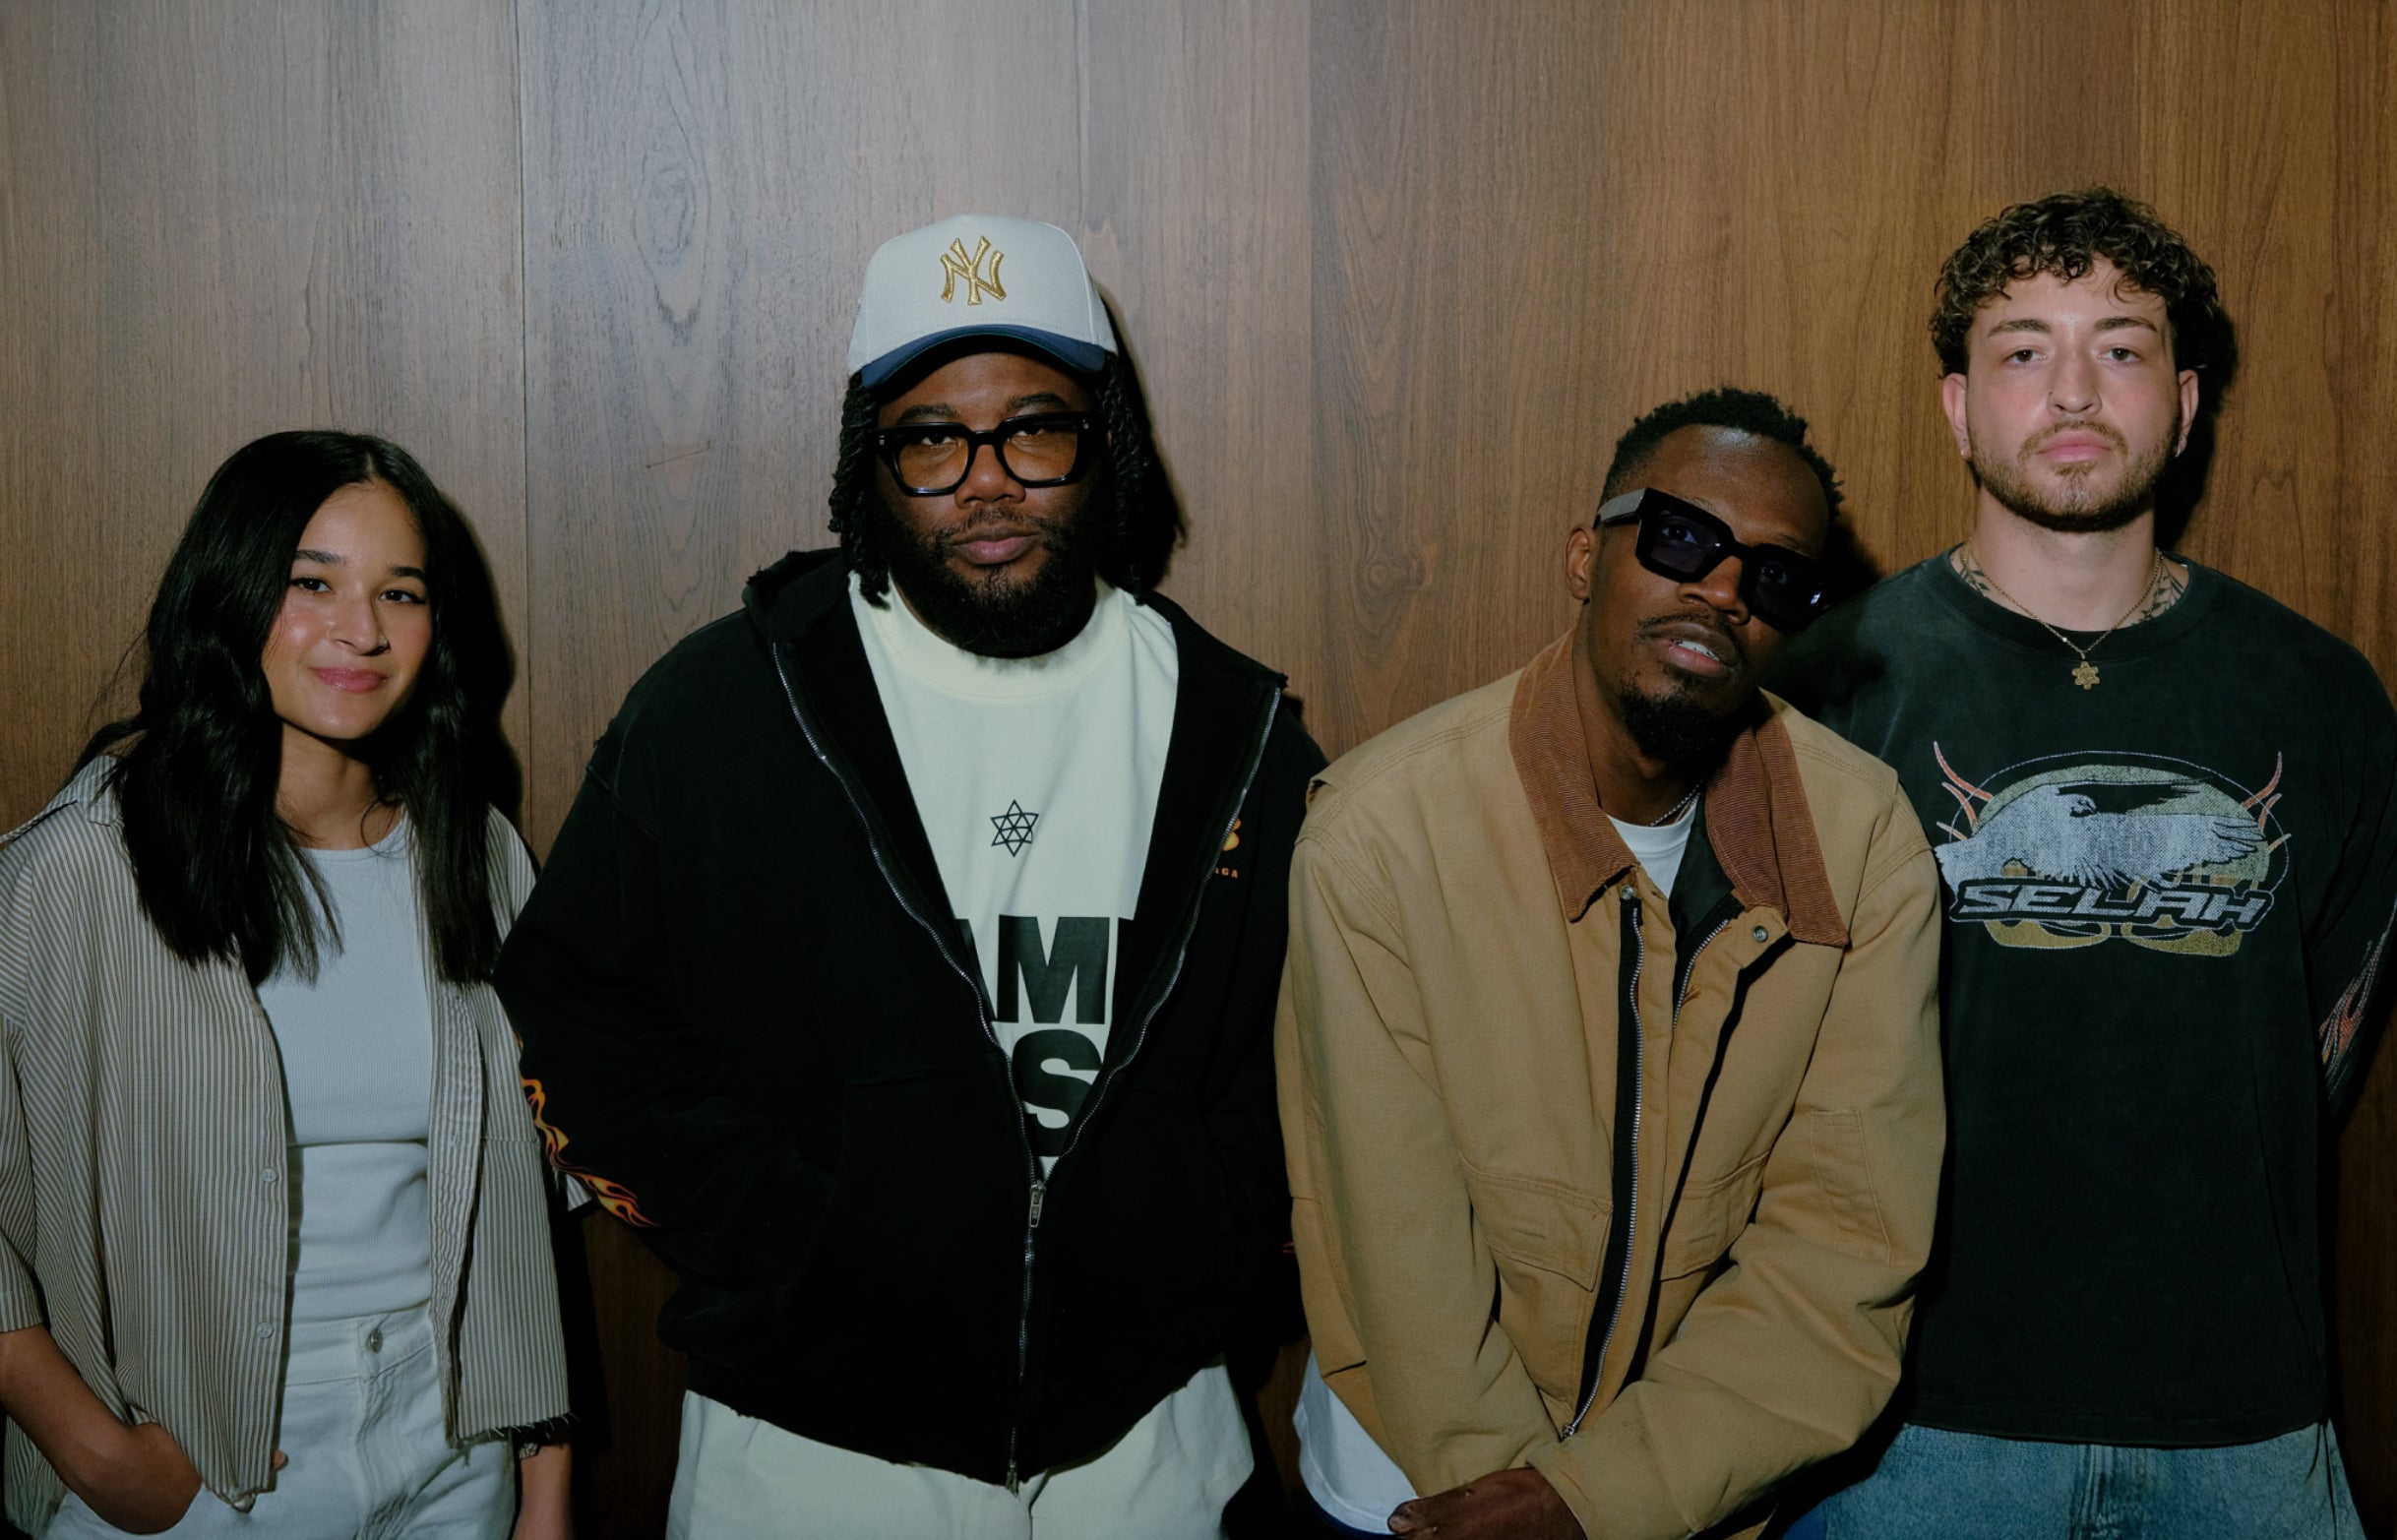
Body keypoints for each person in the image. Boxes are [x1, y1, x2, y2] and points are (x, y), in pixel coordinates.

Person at [495, 215, 1321, 1539]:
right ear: (867, 464)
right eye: (931, 438)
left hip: (1152, 1450)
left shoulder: (1238, 733)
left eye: (1034, 428)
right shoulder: (721, 709)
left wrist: (1208, 1235)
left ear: (1105, 440)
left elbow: (1320, 1051)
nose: (985, 481)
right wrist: (790, 1236)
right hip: (807, 1458)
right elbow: (577, 1017)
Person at [1770, 188, 2397, 1536]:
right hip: (1900, 1426)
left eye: (2119, 347)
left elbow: (2323, 1036)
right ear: (1958, 408)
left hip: (2245, 1428)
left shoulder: (2323, 696)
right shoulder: (1823, 690)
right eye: (2023, 350)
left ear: (2184, 402)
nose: (2071, 390)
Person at [1277, 388, 1946, 1540]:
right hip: (1414, 1491)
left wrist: (1604, 1496)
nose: (1723, 590)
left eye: (1775, 577)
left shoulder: (1863, 840)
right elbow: (1399, 1254)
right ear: (1586, 555)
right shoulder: (1380, 831)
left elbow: (1840, 1252)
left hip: (1680, 1490)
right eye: (1683, 537)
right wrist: (1532, 1504)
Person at [0, 432, 574, 1538]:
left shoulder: (478, 853)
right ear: (231, 590)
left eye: (400, 592)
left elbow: (523, 1202)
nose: (361, 631)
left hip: (454, 1440)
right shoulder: (85, 865)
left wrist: (544, 1486)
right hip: (202, 1458)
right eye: (312, 582)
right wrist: (92, 1448)